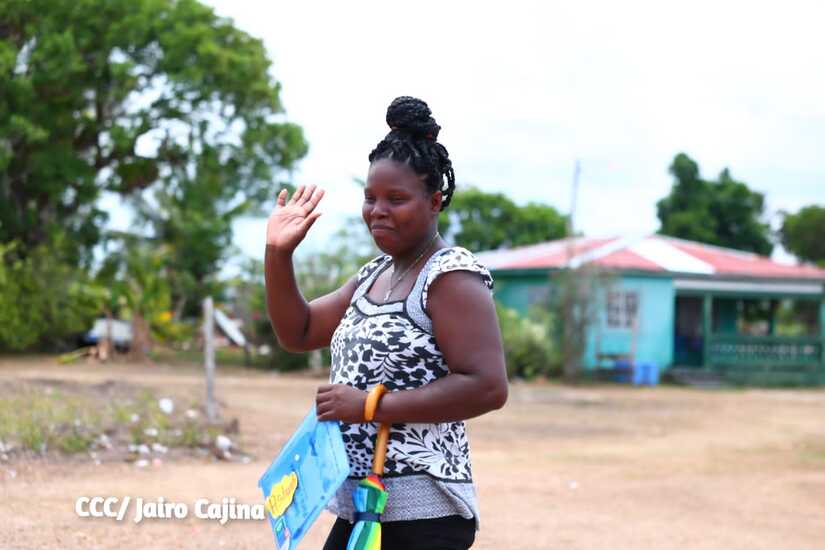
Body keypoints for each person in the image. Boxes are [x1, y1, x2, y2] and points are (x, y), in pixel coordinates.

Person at [264, 96, 507, 550]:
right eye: (370, 198)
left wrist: (370, 406)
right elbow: (298, 332)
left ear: (434, 201)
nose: (378, 210)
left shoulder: (450, 275)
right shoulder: (374, 275)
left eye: (396, 199)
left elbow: (487, 386)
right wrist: (278, 254)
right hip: (363, 506)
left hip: (423, 515)